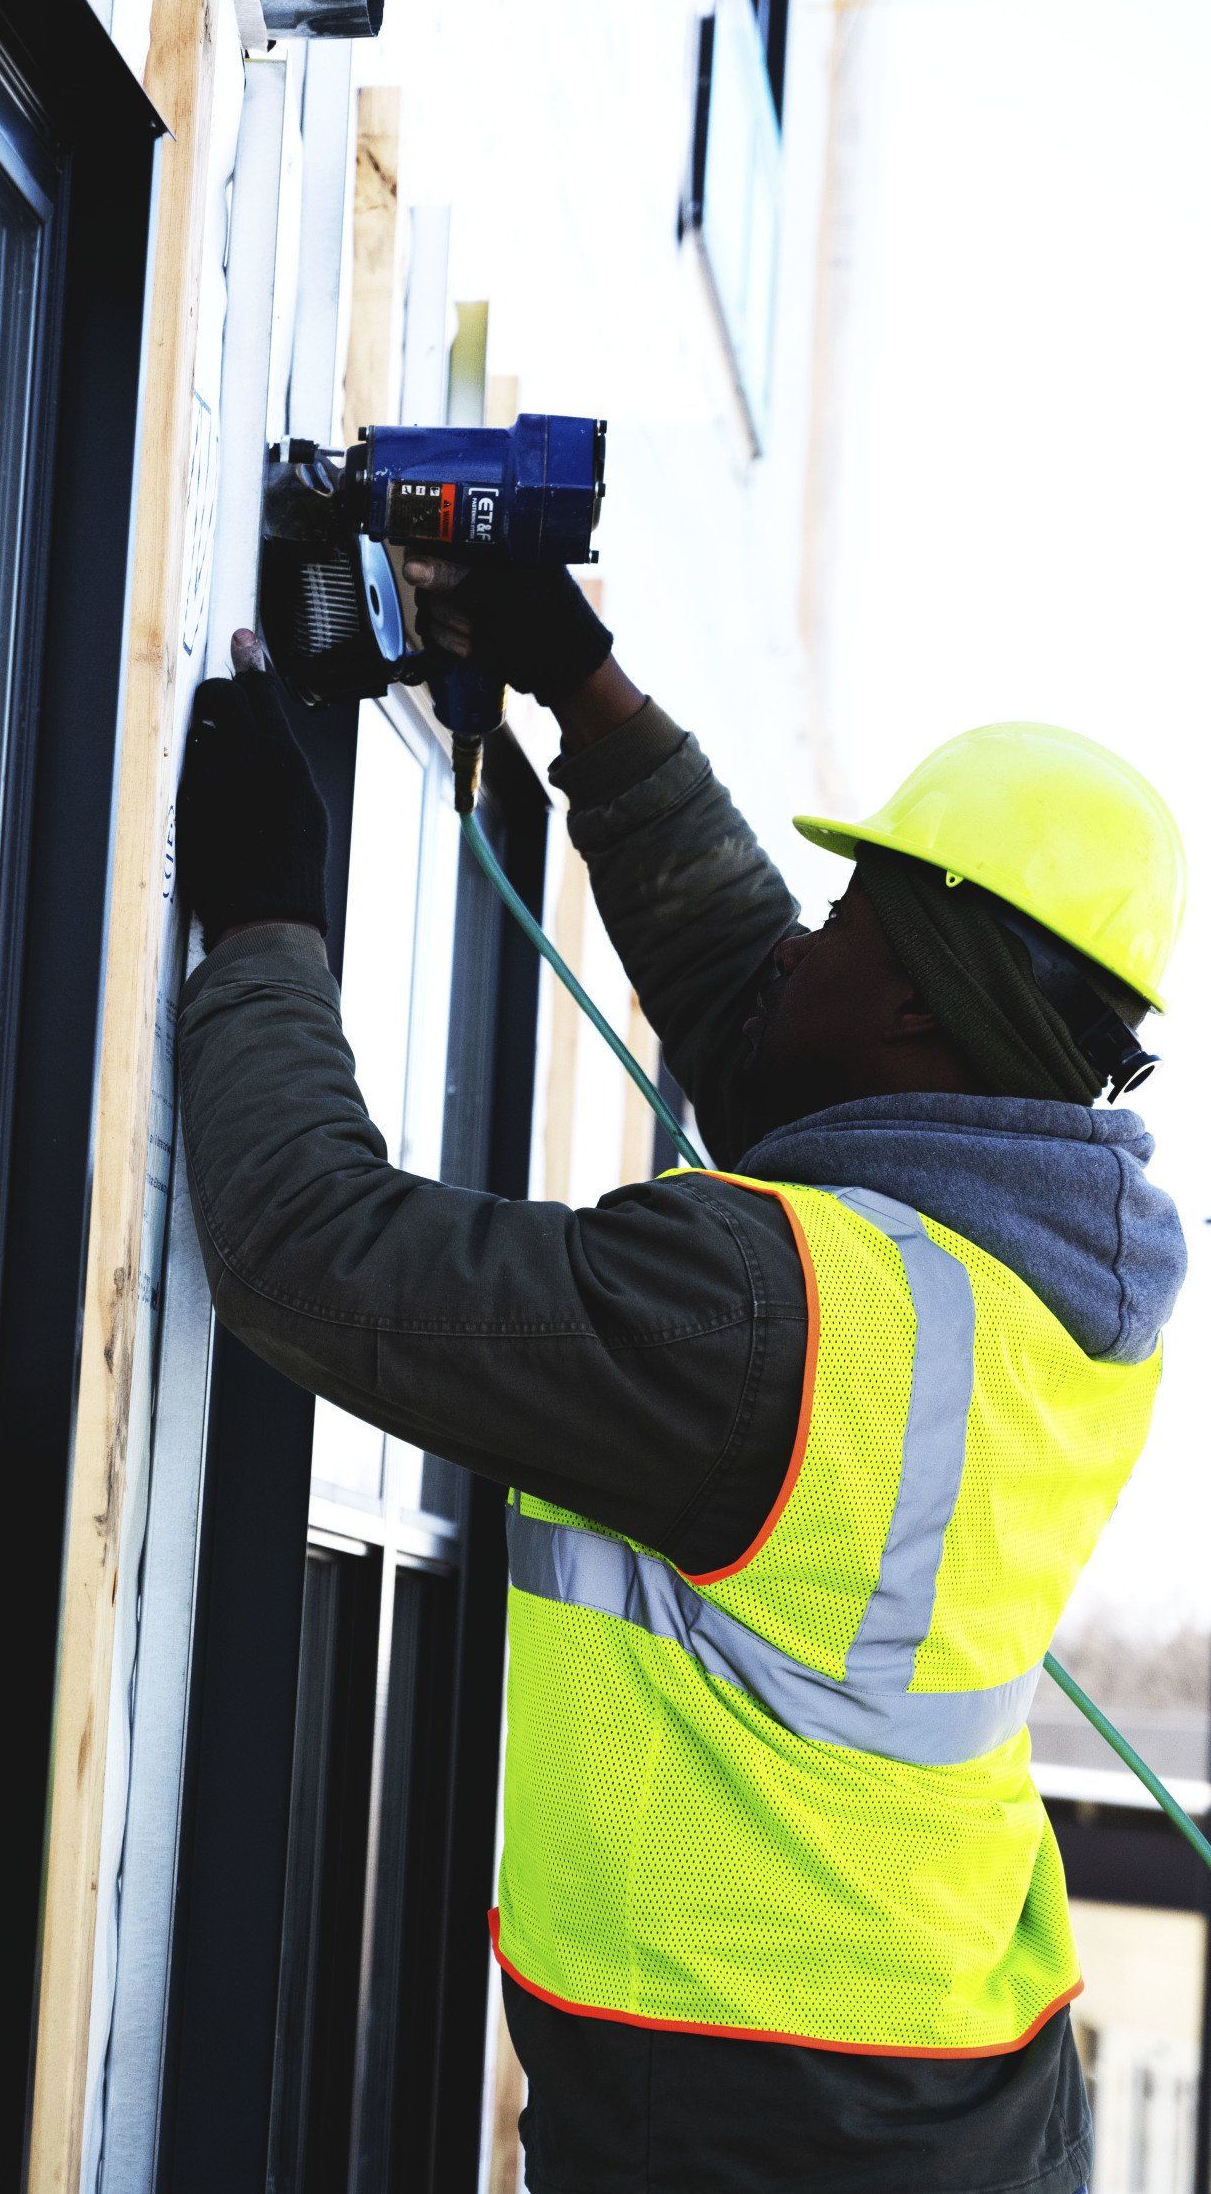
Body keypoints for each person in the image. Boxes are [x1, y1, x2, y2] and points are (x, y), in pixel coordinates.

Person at [173, 558, 1187, 2194]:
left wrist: (262, 919)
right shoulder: (1044, 1278)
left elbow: (309, 1252)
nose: (797, 947)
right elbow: (758, 1020)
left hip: (770, 2135)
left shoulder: (768, 1315)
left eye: (841, 922)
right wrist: (585, 685)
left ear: (915, 1004)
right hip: (950, 2079)